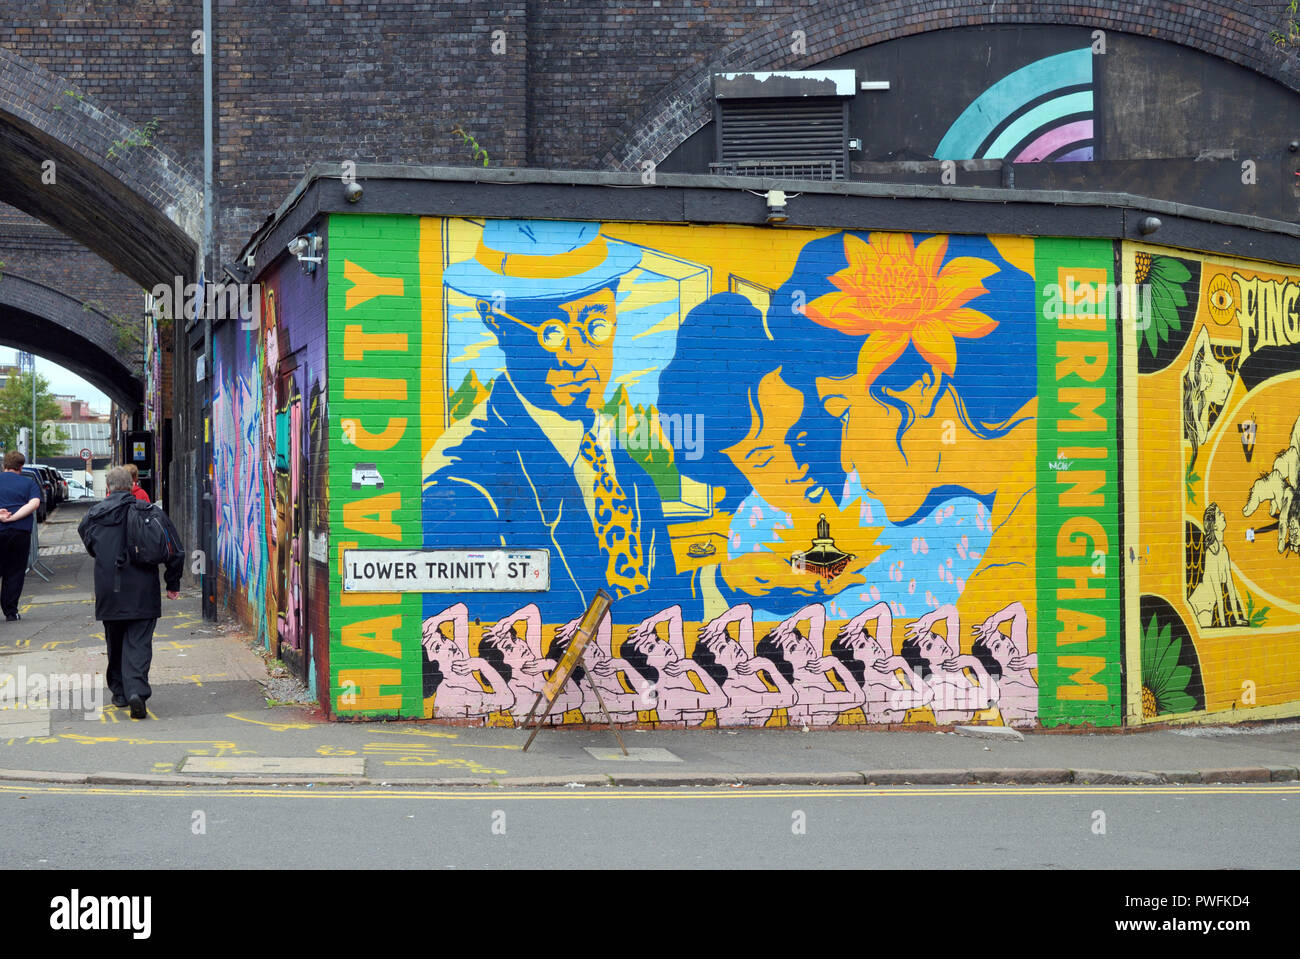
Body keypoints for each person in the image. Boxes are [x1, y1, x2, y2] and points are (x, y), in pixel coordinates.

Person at [423, 219, 689, 621]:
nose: (578, 355)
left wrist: (719, 584)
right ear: (496, 321)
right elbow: (493, 635)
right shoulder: (462, 482)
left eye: (597, 326)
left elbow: (651, 613)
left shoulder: (632, 480)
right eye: (552, 332)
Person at [77, 466, 183, 718]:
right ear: (132, 485)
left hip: (108, 588)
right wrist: (172, 582)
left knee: (114, 641)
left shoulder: (94, 515)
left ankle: (120, 692)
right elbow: (174, 549)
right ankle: (136, 690)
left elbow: (87, 540)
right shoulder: (149, 512)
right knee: (139, 643)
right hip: (143, 589)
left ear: (108, 488)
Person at [0, 450, 45, 622]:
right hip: (19, 532)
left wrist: (1, 516)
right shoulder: (28, 483)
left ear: (5, 465)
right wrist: (14, 517)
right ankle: (11, 612)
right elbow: (34, 503)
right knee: (15, 572)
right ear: (21, 466)